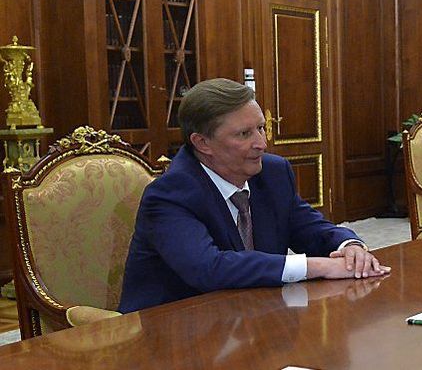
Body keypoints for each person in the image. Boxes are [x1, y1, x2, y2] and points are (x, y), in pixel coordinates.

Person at [119, 78, 389, 312]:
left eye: (261, 128)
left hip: (254, 317)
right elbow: (209, 268)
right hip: (172, 333)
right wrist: (318, 267)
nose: (261, 144)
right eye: (244, 134)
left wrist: (350, 247)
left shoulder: (273, 173)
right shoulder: (170, 194)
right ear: (202, 143)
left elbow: (310, 228)